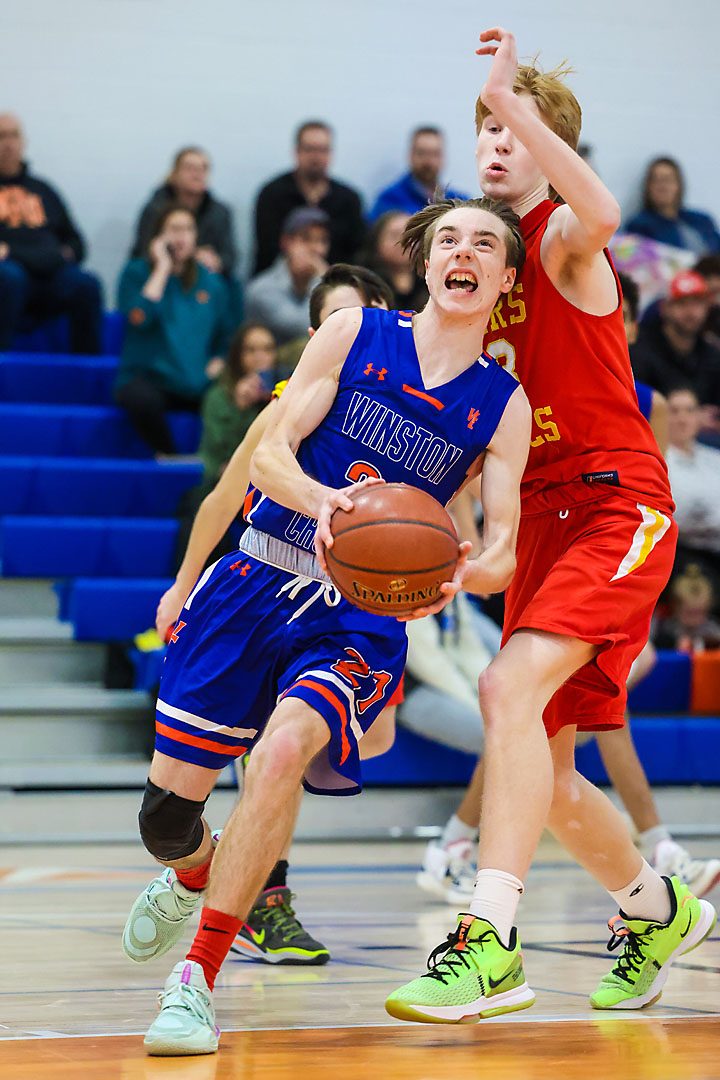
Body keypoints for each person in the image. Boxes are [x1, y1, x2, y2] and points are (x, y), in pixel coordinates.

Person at [127, 196, 530, 1054]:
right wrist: (323, 503)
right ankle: (195, 870)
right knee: (165, 821)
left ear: (504, 276)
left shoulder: (502, 403)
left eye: (485, 242)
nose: (464, 252)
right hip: (259, 570)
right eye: (448, 238)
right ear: (424, 264)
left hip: (359, 613)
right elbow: (267, 454)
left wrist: (460, 573)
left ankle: (194, 980)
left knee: (278, 755)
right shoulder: (352, 334)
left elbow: (503, 548)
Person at [386, 29, 716, 1026]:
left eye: (510, 128)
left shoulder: (567, 241)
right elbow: (473, 433)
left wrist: (516, 97)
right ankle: (654, 911)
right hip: (540, 519)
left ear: (548, 139)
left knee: (505, 685)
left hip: (619, 501)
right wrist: (469, 540)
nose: (491, 141)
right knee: (554, 775)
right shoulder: (479, 277)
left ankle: (488, 940)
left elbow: (605, 208)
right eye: (482, 126)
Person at [124, 265, 396, 973]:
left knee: (287, 748)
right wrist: (181, 586)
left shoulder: (407, 422)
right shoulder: (287, 408)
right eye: (342, 321)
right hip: (257, 590)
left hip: (346, 609)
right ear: (315, 337)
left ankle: (263, 898)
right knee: (183, 803)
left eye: (371, 320)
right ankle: (217, 881)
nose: (358, 335)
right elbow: (220, 500)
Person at [115, 204, 233, 455]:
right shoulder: (136, 272)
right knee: (139, 399)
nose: (182, 236)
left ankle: (218, 465)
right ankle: (169, 457)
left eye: (188, 229)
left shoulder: (212, 283)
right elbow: (139, 317)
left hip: (196, 379)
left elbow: (226, 333)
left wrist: (220, 359)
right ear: (158, 236)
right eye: (174, 229)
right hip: (149, 376)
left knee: (233, 395)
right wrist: (162, 268)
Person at [0, 112, 102, 353]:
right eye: (1, 136)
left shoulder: (44, 190)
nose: (8, 143)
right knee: (8, 277)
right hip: (11, 276)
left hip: (49, 273)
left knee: (87, 285)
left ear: (23, 142)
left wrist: (65, 254)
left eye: (14, 135)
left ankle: (86, 374)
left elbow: (77, 243)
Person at [252, 121, 365, 275]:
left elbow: (356, 253)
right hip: (280, 281)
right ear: (296, 152)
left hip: (338, 281)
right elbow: (267, 251)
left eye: (323, 150)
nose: (316, 157)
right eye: (310, 149)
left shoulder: (349, 199)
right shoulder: (272, 195)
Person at [631, 269, 720, 427]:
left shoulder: (713, 354)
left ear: (707, 308)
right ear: (665, 308)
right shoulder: (640, 348)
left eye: (698, 303)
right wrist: (691, 417)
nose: (690, 312)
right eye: (681, 303)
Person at [131, 147, 238, 278]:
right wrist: (187, 256)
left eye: (203, 169)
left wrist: (217, 261)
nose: (197, 174)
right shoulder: (155, 208)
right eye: (190, 168)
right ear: (174, 173)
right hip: (164, 274)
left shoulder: (219, 212)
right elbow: (142, 252)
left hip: (205, 276)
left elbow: (230, 256)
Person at [664, 386, 720, 601]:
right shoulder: (656, 459)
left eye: (689, 411)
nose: (682, 419)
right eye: (674, 411)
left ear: (699, 416)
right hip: (677, 552)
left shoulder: (714, 459)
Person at [245, 207, 330, 345]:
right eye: (306, 239)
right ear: (285, 242)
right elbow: (303, 327)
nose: (317, 249)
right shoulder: (262, 289)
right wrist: (324, 283)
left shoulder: (323, 280)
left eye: (323, 241)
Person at [369, 126, 469, 222]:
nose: (428, 161)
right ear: (410, 155)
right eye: (422, 153)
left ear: (443, 158)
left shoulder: (459, 202)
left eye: (434, 154)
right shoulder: (390, 201)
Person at [625, 158, 720, 256]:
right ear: (648, 187)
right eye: (656, 180)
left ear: (679, 185)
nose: (663, 187)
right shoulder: (639, 226)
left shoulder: (702, 220)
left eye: (668, 180)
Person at [360, 211, 429, 311]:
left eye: (410, 236)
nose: (403, 242)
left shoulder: (430, 280)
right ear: (376, 240)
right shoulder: (364, 283)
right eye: (394, 235)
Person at [654, 565, 720, 652]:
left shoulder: (713, 631)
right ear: (676, 607)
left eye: (699, 613)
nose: (694, 620)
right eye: (689, 613)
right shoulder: (663, 629)